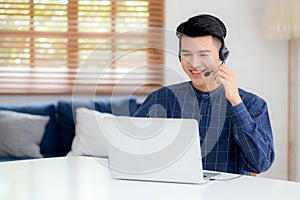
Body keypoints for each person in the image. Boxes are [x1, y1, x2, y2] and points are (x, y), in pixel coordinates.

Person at [133, 14, 275, 175]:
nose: (194, 63)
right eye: (187, 54)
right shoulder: (162, 98)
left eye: (203, 54)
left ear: (222, 55)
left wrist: (236, 102)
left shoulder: (252, 105)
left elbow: (261, 164)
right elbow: (133, 149)